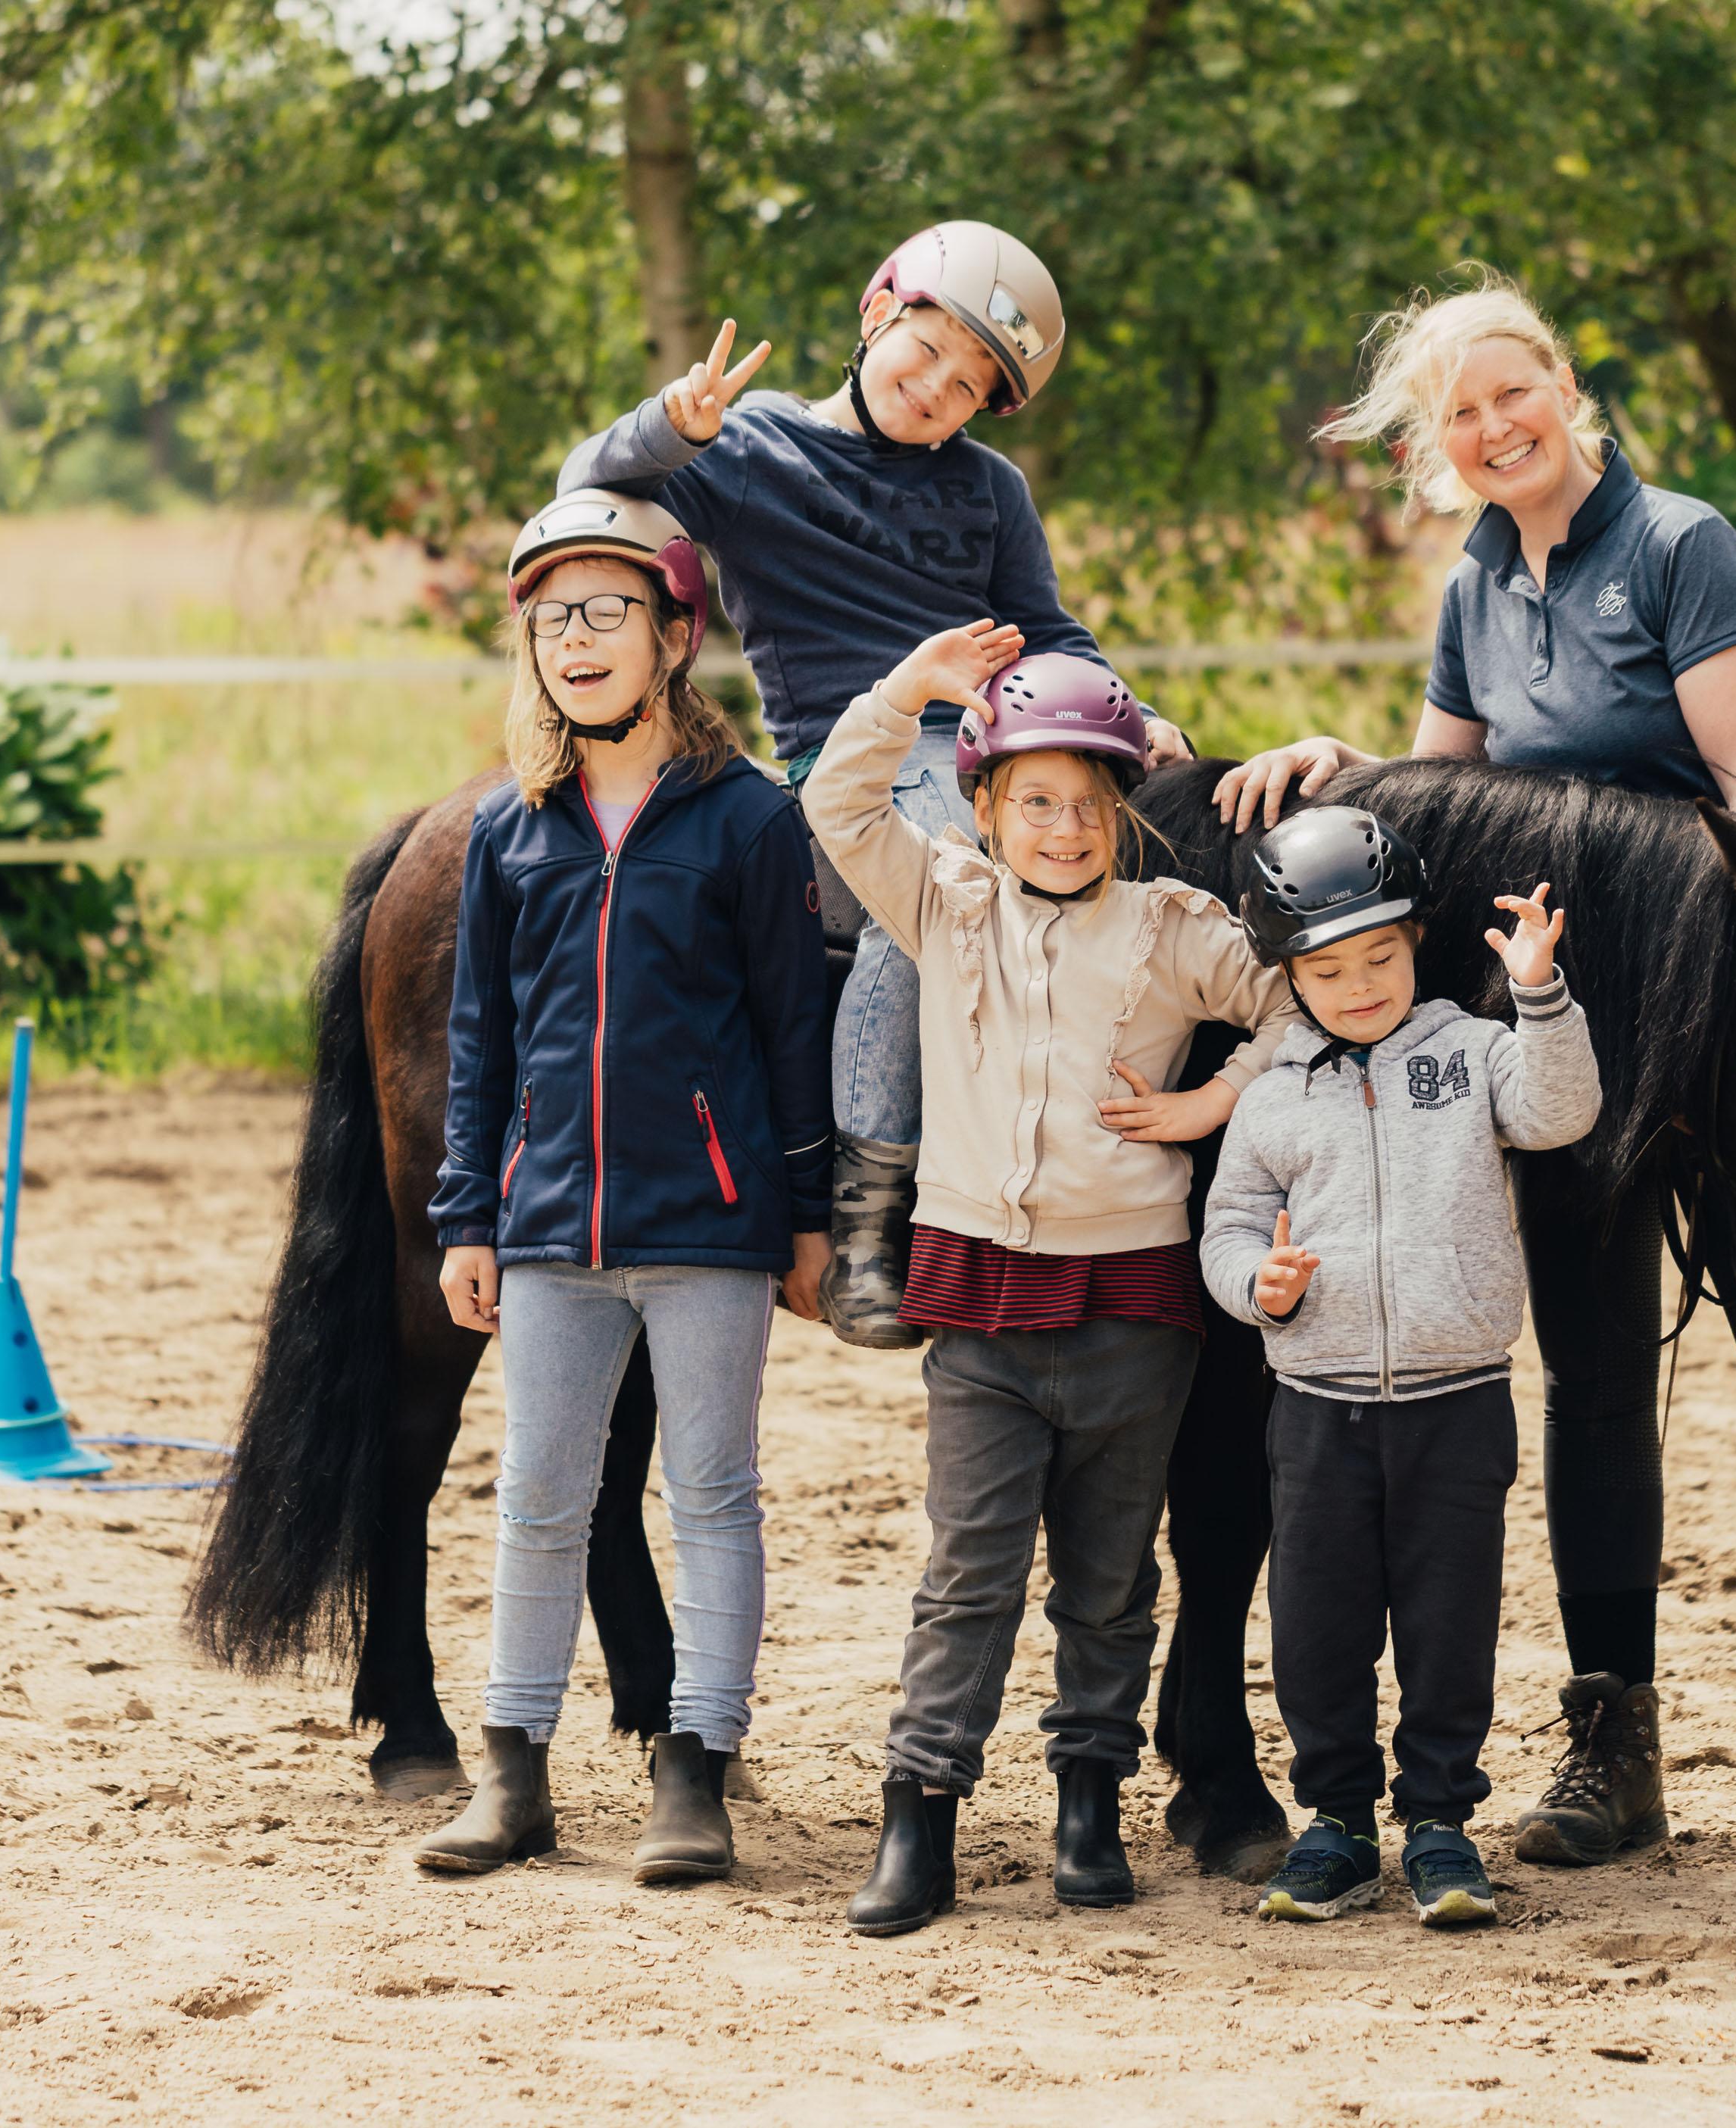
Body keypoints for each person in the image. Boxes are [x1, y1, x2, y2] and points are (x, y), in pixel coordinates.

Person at [1212, 273, 1736, 1899]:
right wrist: (1334, 775)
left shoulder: (1680, 545)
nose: (1493, 430)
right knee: (1595, 1387)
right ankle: (1612, 1746)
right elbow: (1448, 797)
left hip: (1728, 1045)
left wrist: (1562, 839)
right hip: (1569, 1045)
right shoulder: (1479, 579)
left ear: (1564, 391)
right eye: (1459, 416)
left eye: (1512, 394)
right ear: (1439, 449)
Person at [560, 221, 1191, 1354]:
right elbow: (585, 489)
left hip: (997, 745)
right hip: (853, 754)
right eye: (928, 353)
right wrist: (671, 428)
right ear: (874, 314)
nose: (936, 391)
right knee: (943, 890)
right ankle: (866, 1209)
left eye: (967, 389)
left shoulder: (989, 492)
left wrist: (1130, 713)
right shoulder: (749, 450)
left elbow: (1047, 628)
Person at [802, 635, 1300, 1936]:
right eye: (1036, 801)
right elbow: (838, 803)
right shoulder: (945, 904)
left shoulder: (1174, 929)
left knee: (1110, 1576)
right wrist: (908, 687)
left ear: (1121, 810)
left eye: (1090, 803)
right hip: (979, 1303)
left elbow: (1301, 1010)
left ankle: (1091, 1800)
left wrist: (1206, 1103)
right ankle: (921, 1815)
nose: (1066, 827)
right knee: (968, 1572)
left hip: (1134, 1304)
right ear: (985, 807)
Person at [414, 490, 833, 1886]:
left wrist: (806, 1213)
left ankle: (695, 1768)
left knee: (713, 1492)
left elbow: (792, 1033)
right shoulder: (508, 833)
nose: (576, 639)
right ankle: (511, 1770)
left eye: (607, 613)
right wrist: (468, 1211)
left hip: (709, 1229)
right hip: (547, 1228)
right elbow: (480, 1038)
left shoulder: (749, 824)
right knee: (538, 1494)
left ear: (672, 635)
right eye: (551, 617)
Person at [1198, 808, 1600, 1927]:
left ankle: (1438, 1824)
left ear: (1418, 940)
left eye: (1382, 955)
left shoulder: (1472, 1056)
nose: (1361, 983)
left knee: (1446, 1624)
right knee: (1316, 1625)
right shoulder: (1274, 1095)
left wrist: (1538, 992)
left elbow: (1563, 1111)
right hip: (1317, 1409)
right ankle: (1335, 1823)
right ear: (1290, 974)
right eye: (1329, 968)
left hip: (1459, 1399)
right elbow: (1229, 1226)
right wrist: (1254, 1285)